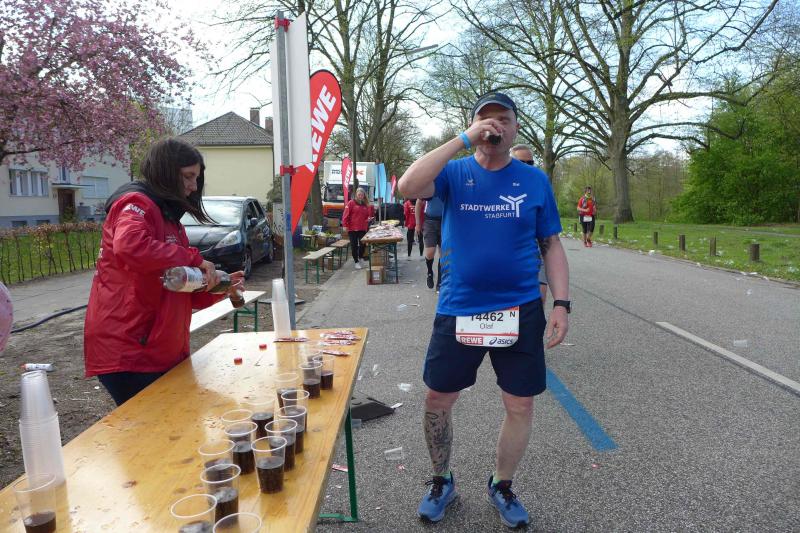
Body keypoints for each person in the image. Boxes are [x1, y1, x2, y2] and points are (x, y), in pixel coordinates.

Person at [398, 92, 570, 528]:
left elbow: (551, 244)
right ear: (473, 124)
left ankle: (502, 484)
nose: (495, 126)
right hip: (460, 306)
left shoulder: (534, 181)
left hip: (520, 308)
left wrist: (562, 303)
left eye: (503, 119)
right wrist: (463, 139)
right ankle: (442, 481)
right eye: (485, 119)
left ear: (516, 128)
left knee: (521, 405)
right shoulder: (454, 172)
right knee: (438, 398)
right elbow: (407, 187)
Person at [84, 138, 244, 406]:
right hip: (132, 350)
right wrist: (193, 258)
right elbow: (129, 246)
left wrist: (220, 287)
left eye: (196, 178)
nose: (194, 186)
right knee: (156, 427)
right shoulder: (136, 203)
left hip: (160, 350)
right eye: (188, 176)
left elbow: (181, 290)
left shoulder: (171, 220)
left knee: (176, 423)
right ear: (166, 172)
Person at [510, 144, 548, 305]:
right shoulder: (496, 186)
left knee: (539, 299)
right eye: (521, 162)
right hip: (508, 259)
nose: (526, 167)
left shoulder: (540, 186)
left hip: (535, 253)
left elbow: (550, 232)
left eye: (530, 163)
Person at [342, 187, 375, 269]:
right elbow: (345, 215)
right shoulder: (351, 203)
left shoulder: (365, 204)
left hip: (362, 228)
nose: (360, 196)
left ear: (364, 196)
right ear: (356, 195)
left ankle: (360, 257)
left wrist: (368, 219)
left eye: (362, 195)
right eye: (359, 194)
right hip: (352, 229)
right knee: (354, 246)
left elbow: (367, 216)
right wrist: (344, 225)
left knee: (363, 244)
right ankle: (356, 261)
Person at [416, 196, 444, 290]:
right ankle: (429, 272)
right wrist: (418, 224)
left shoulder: (448, 187)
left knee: (443, 253)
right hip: (430, 221)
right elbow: (418, 203)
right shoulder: (428, 188)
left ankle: (440, 282)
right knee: (430, 253)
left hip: (445, 221)